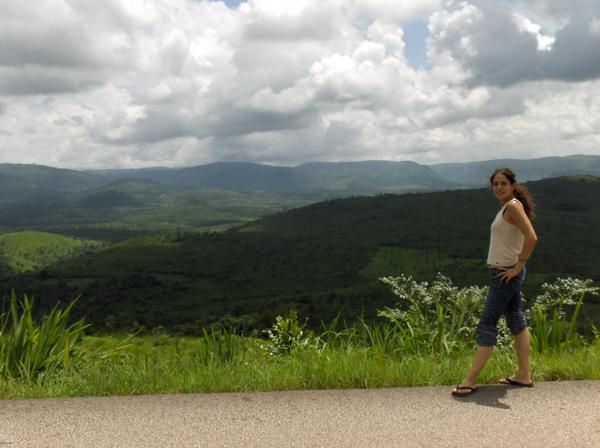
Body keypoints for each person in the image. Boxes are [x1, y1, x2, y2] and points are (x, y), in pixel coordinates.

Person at [452, 168, 538, 397]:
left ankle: (469, 380)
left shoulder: (512, 206)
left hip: (505, 275)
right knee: (516, 320)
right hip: (504, 273)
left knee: (487, 324)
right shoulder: (509, 206)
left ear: (512, 185)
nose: (499, 187)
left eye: (503, 183)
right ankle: (523, 375)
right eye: (495, 183)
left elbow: (532, 237)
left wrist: (519, 265)